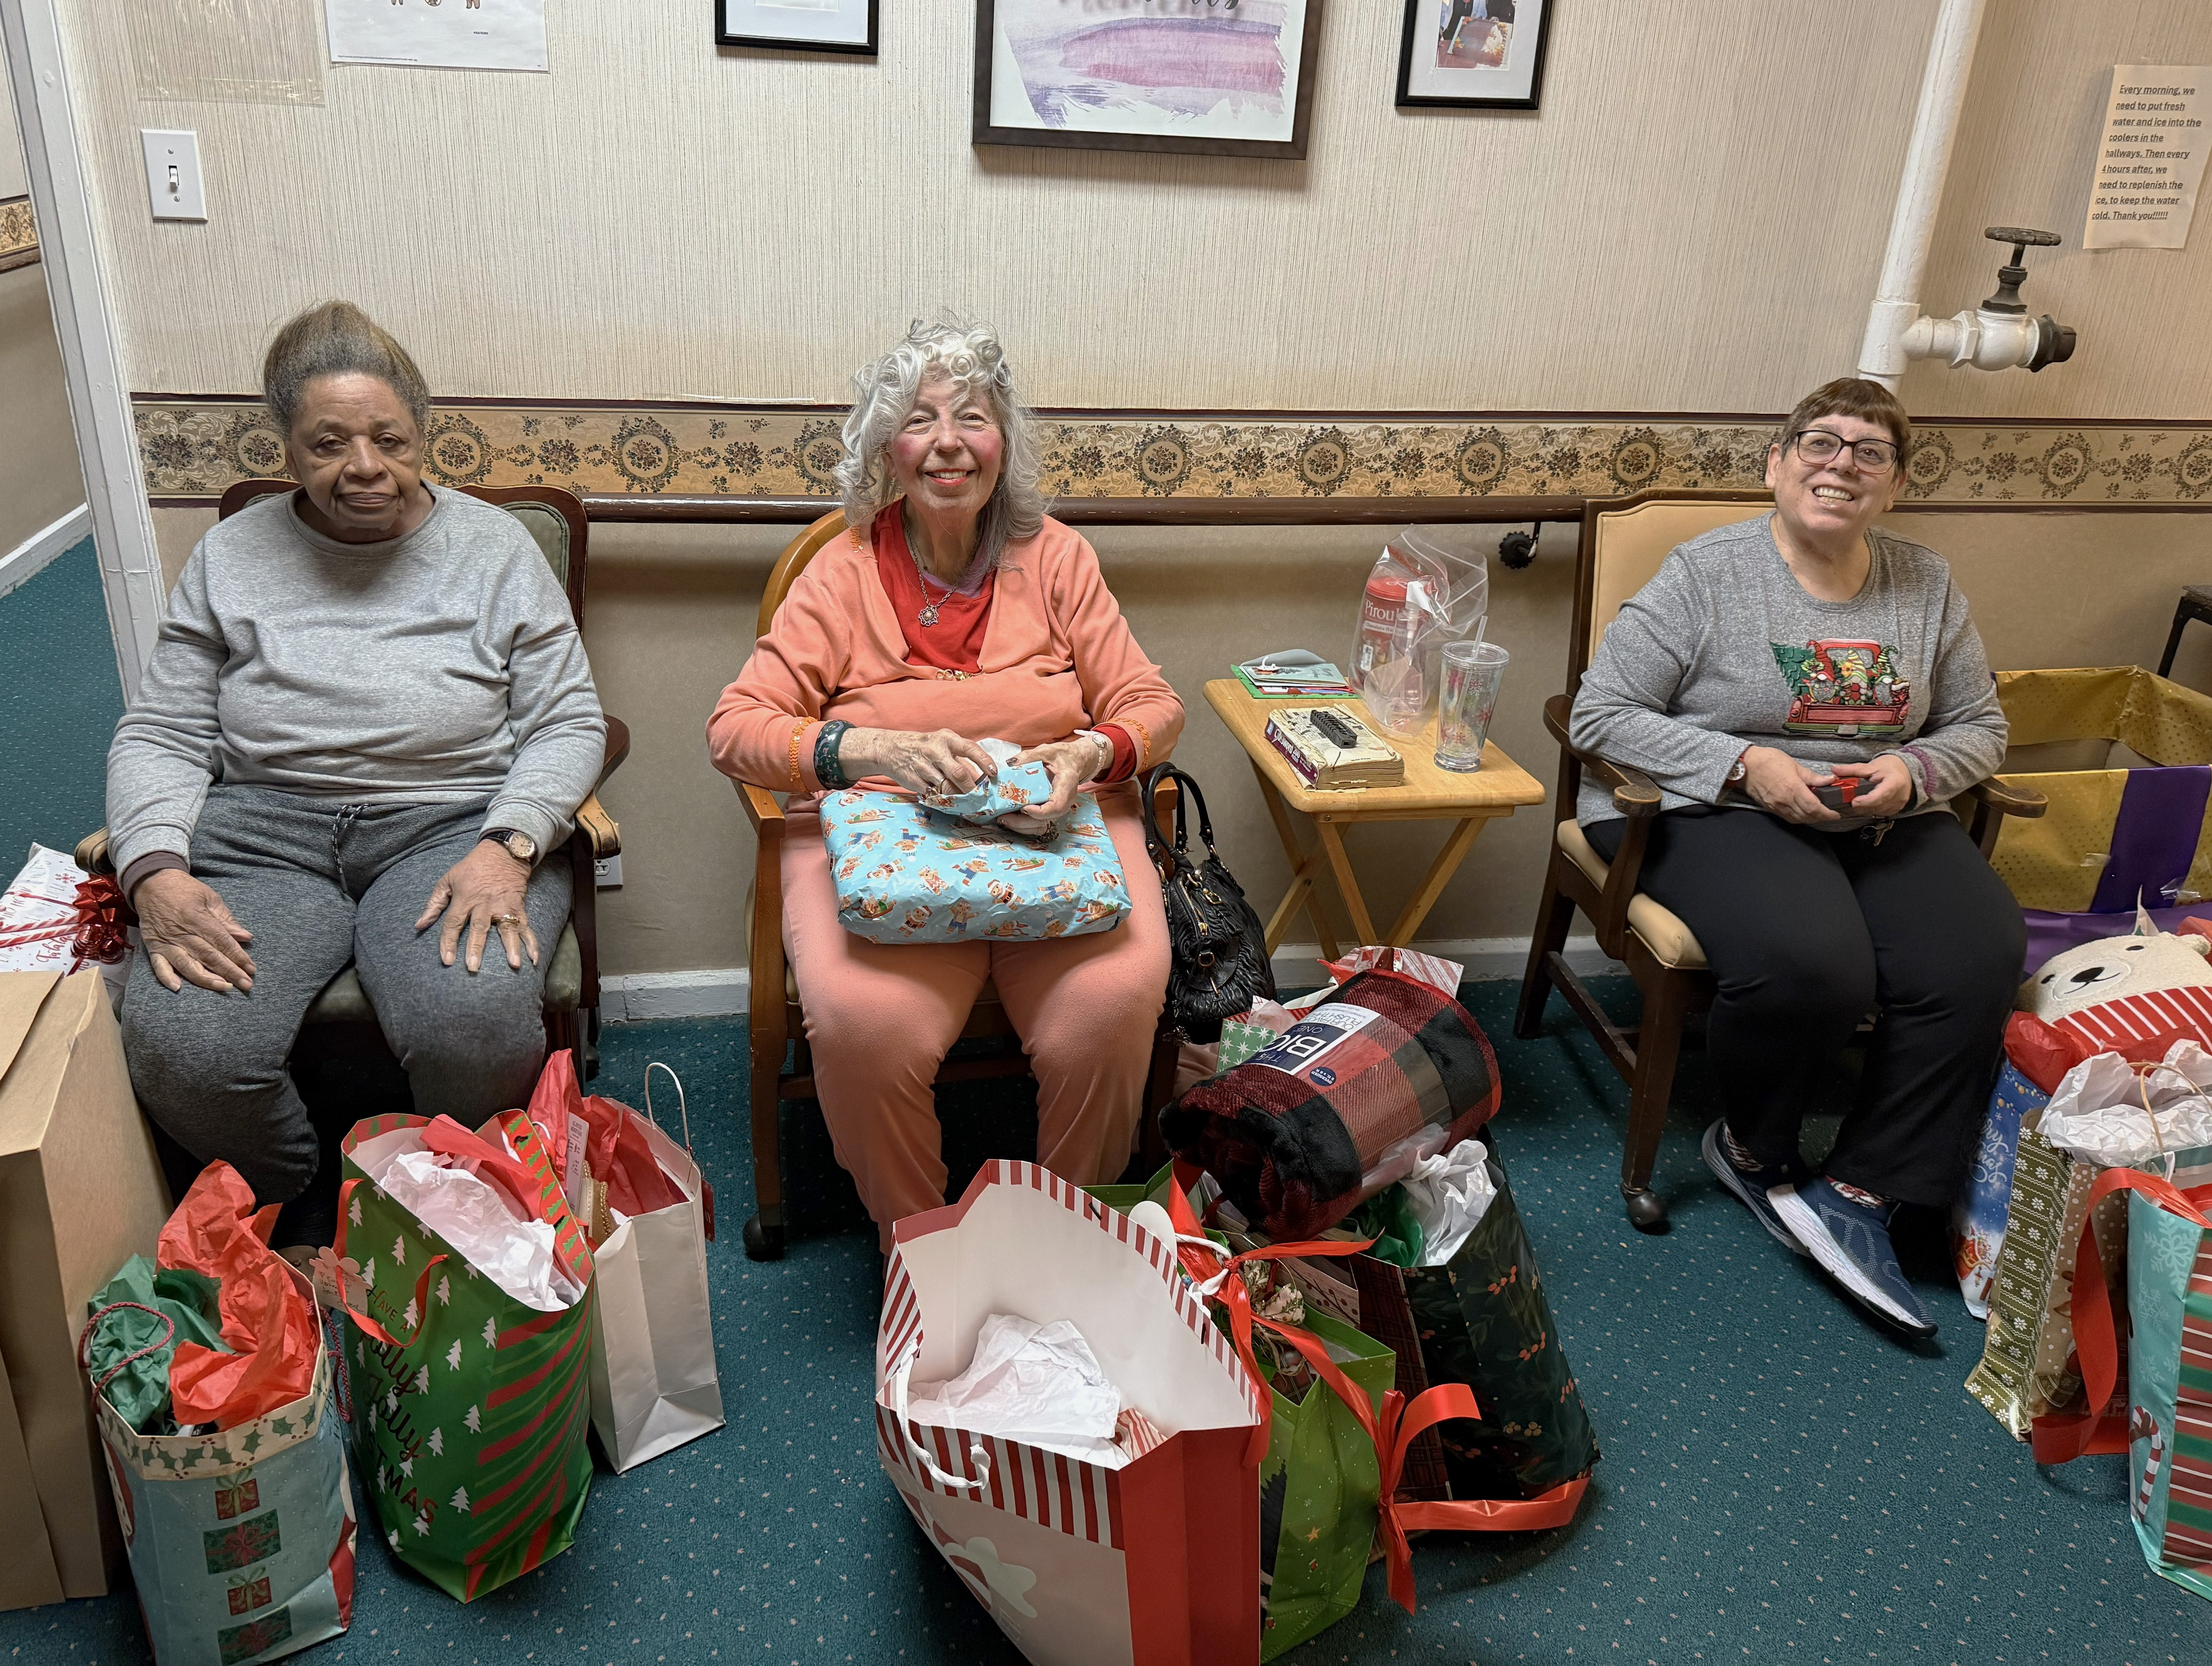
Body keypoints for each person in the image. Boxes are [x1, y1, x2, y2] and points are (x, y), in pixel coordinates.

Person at [110, 301, 605, 1237]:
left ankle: (433, 1205)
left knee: (473, 1021)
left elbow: (568, 720)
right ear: (286, 447)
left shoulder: (492, 550)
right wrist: (154, 870)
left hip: (451, 826)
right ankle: (299, 1196)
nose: (364, 466)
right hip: (263, 836)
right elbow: (161, 732)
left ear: (424, 437)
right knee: (186, 1046)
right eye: (328, 442)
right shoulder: (231, 555)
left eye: (390, 438)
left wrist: (511, 842)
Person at [708, 319, 1182, 1250]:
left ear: (1005, 440)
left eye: (973, 416)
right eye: (921, 420)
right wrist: (871, 750)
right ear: (890, 444)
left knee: (1113, 1003)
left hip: (1054, 833)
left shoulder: (1056, 557)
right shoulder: (839, 572)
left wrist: (1086, 754)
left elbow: (1149, 701)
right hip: (890, 847)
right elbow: (734, 728)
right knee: (862, 1025)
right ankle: (924, 1251)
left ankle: (1067, 1243)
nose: (949, 442)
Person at [1568, 376, 2022, 1338]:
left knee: (1976, 951)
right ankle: (1753, 1147)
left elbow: (1982, 725)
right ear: (1775, 465)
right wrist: (1744, 763)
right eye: (1819, 443)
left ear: (1893, 484)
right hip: (1710, 804)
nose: (1840, 464)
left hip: (1875, 808)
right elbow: (1598, 715)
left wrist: (1915, 768)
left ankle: (1861, 1188)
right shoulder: (1706, 573)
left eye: (1868, 452)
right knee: (1814, 959)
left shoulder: (1926, 584)